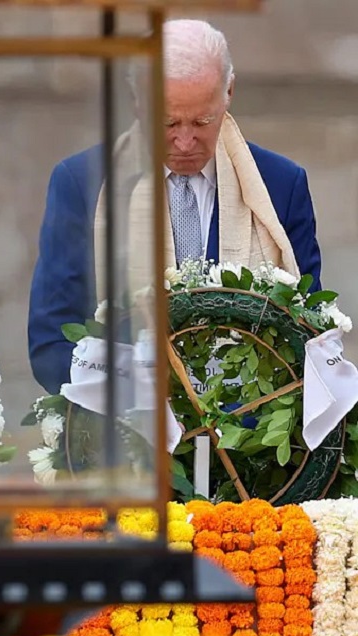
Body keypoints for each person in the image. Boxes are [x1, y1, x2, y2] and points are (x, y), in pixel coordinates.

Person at [28, 19, 320, 394]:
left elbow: (310, 333)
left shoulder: (280, 185)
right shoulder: (82, 183)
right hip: (124, 433)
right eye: (167, 122)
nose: (184, 142)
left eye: (202, 120)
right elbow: (51, 343)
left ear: (228, 91)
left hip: (248, 437)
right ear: (138, 102)